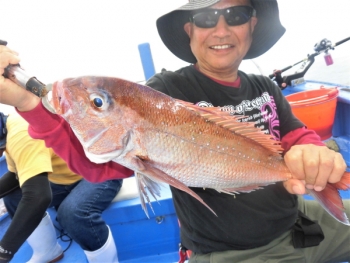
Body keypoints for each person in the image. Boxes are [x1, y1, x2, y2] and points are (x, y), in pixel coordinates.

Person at [0, 0, 349, 262]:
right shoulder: (165, 92)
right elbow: (96, 167)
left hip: (300, 216)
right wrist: (30, 105)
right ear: (189, 30)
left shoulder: (264, 86)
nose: (222, 29)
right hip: (235, 251)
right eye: (206, 18)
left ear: (252, 25)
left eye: (237, 15)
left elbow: (293, 134)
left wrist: (310, 150)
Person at [0, 112, 124, 263]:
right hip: (64, 177)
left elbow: (38, 197)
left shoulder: (21, 135)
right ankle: (47, 252)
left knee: (72, 213)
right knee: (14, 196)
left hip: (102, 170)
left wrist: (4, 252)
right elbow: (16, 176)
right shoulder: (8, 130)